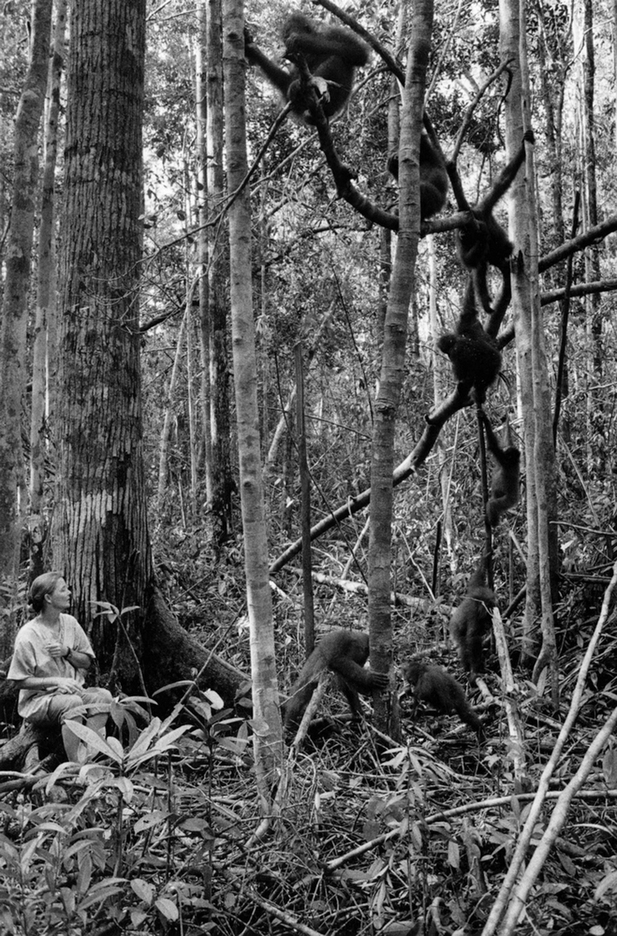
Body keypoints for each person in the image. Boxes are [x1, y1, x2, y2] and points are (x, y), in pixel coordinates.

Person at [8, 572, 113, 762]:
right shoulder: (28, 635)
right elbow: (18, 681)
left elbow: (87, 661)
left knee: (103, 697)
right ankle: (75, 765)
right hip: (39, 701)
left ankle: (89, 754)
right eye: (63, 590)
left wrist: (67, 652)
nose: (69, 593)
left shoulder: (70, 623)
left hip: (73, 692)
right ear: (48, 598)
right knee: (73, 703)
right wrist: (56, 681)